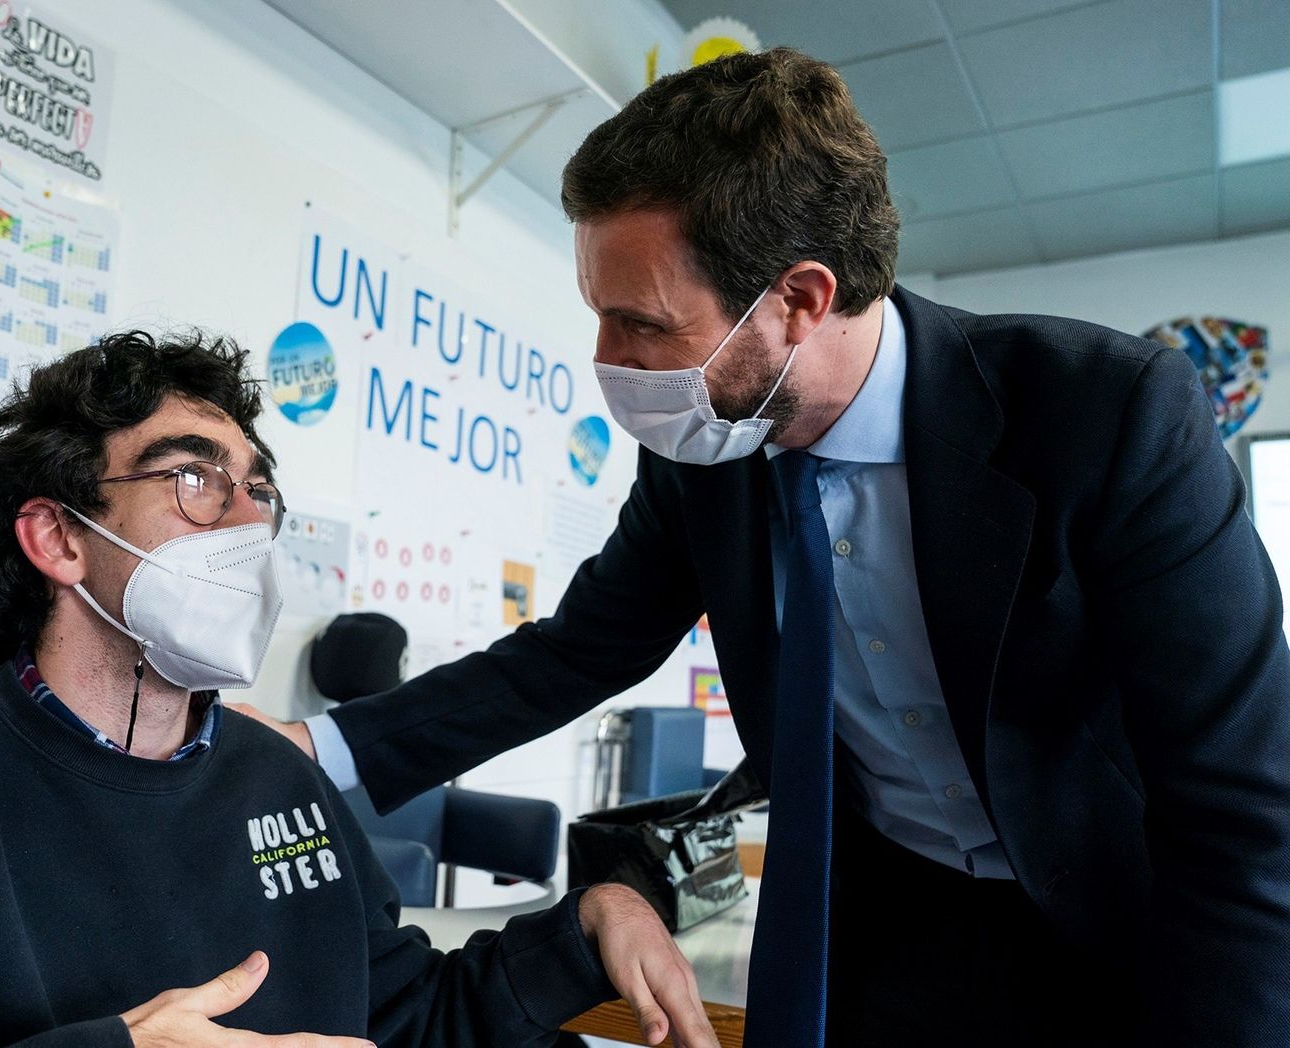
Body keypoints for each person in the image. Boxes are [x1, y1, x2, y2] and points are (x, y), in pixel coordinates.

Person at [237, 48, 1290, 1047]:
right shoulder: (708, 450)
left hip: (1123, 926)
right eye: (599, 316)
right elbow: (576, 651)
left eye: (644, 323)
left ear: (800, 299)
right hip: (883, 924)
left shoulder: (1105, 416)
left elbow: (1242, 803)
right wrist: (317, 749)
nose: (609, 360)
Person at [0, 331, 717, 1048]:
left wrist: (588, 925)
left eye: (256, 486)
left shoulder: (278, 779)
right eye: (192, 478)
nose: (244, 517)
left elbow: (398, 1016)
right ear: (57, 538)